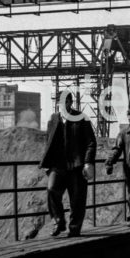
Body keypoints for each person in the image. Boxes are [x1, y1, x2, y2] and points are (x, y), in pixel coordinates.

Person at [39, 92, 97, 237]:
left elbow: (91, 143)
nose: (61, 105)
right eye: (59, 102)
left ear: (70, 102)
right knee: (51, 190)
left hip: (76, 166)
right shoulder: (53, 119)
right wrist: (47, 162)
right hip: (58, 165)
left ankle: (74, 228)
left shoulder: (81, 118)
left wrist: (88, 162)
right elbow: (48, 142)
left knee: (77, 199)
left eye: (64, 102)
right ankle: (59, 221)